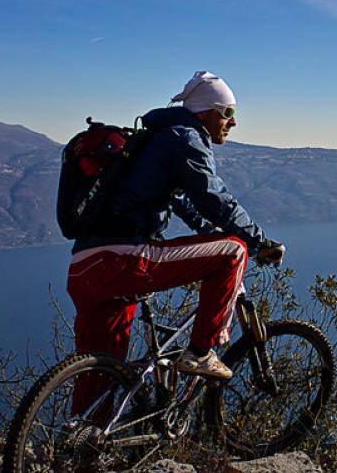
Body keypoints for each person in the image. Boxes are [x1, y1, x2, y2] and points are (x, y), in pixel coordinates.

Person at [66, 70, 284, 415]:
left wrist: (206, 231)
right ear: (206, 112)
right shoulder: (184, 138)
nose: (233, 122)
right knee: (233, 252)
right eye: (227, 112)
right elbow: (215, 198)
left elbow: (180, 200)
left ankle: (86, 447)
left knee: (100, 373)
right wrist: (257, 241)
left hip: (86, 266)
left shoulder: (156, 139)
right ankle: (200, 353)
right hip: (123, 258)